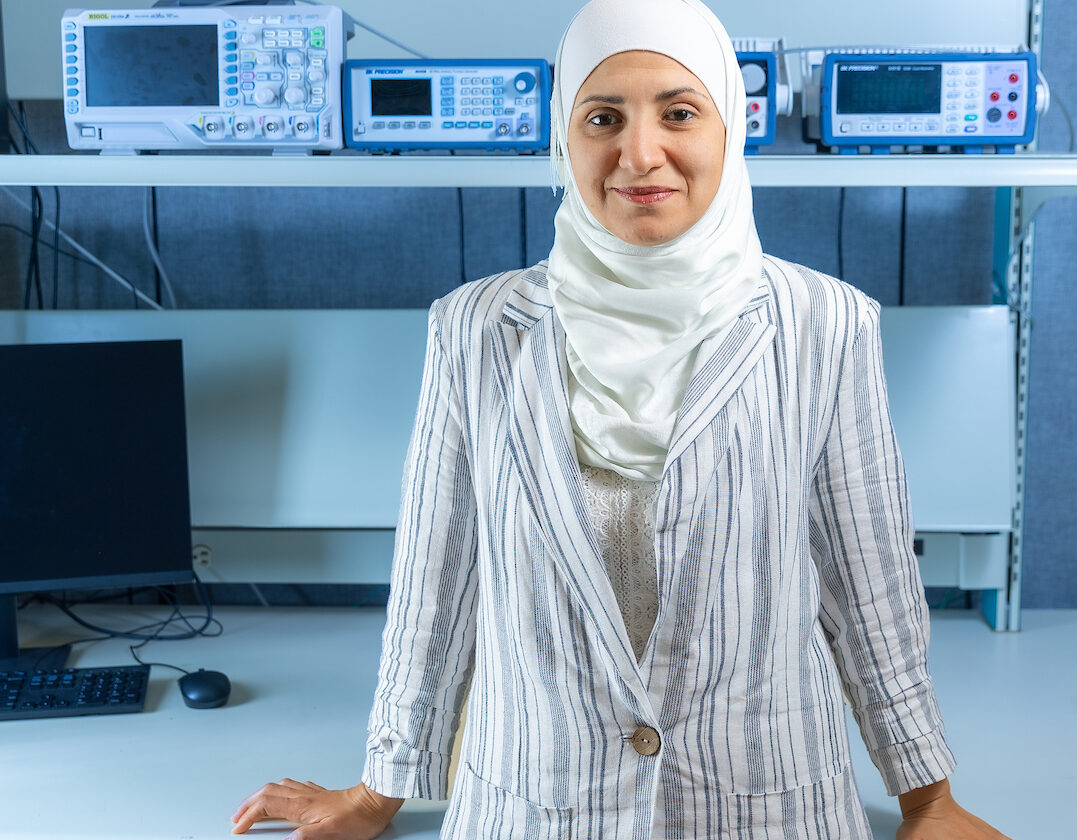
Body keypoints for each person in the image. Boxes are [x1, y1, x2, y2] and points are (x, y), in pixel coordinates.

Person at [231, 1, 1011, 838]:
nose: (641, 154)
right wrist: (378, 789)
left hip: (767, 804)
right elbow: (437, 575)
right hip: (536, 805)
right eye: (603, 118)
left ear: (728, 129)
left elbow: (870, 584)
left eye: (679, 112)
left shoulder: (825, 324)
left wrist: (927, 798)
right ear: (566, 141)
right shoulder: (475, 329)